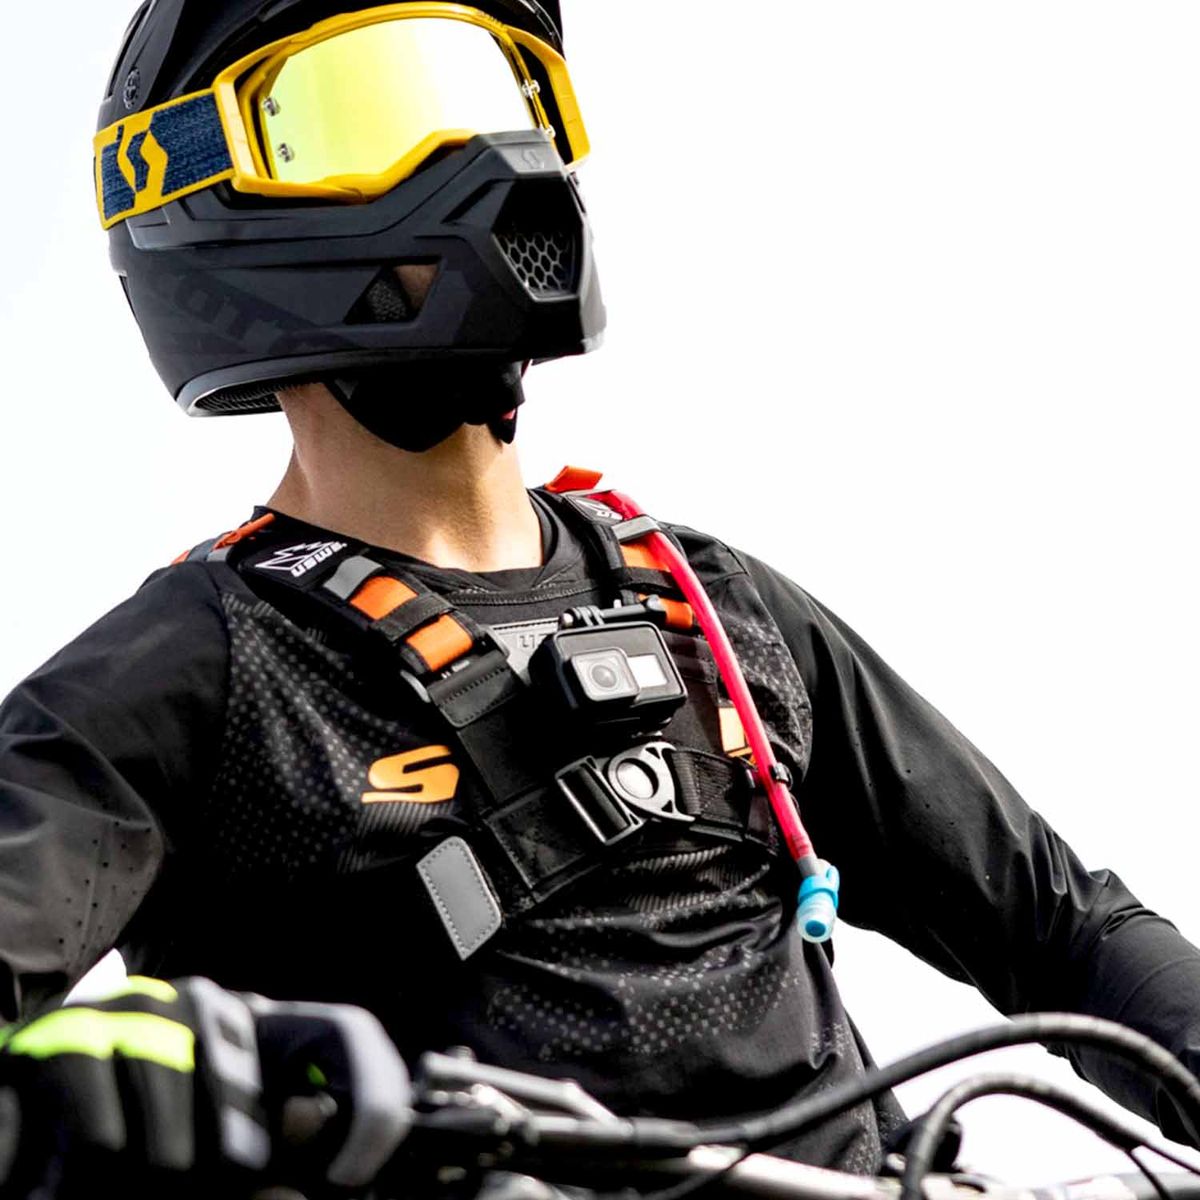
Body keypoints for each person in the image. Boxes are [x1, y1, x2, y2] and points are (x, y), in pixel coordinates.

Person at [1, 0, 1199, 1192]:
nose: (487, 159)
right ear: (209, 196)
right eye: (377, 108)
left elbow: (1067, 931)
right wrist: (103, 1079)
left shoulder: (714, 604)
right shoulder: (186, 668)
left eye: (500, 97)